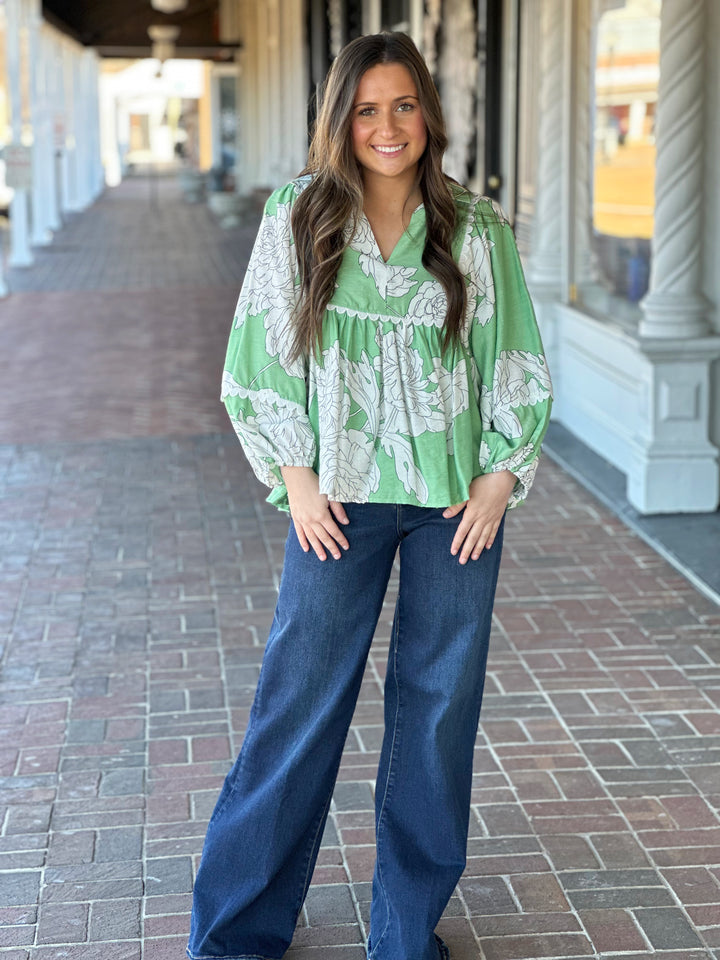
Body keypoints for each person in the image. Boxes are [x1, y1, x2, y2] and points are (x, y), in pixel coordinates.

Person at [187, 31, 552, 960]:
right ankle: (236, 935)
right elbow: (257, 360)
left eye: (403, 105)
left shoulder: (479, 229)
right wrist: (296, 483)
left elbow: (516, 362)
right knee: (298, 709)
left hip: (454, 512)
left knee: (435, 720)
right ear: (339, 120)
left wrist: (500, 479)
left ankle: (403, 936)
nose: (387, 127)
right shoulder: (298, 217)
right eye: (366, 109)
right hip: (335, 509)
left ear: (428, 111)